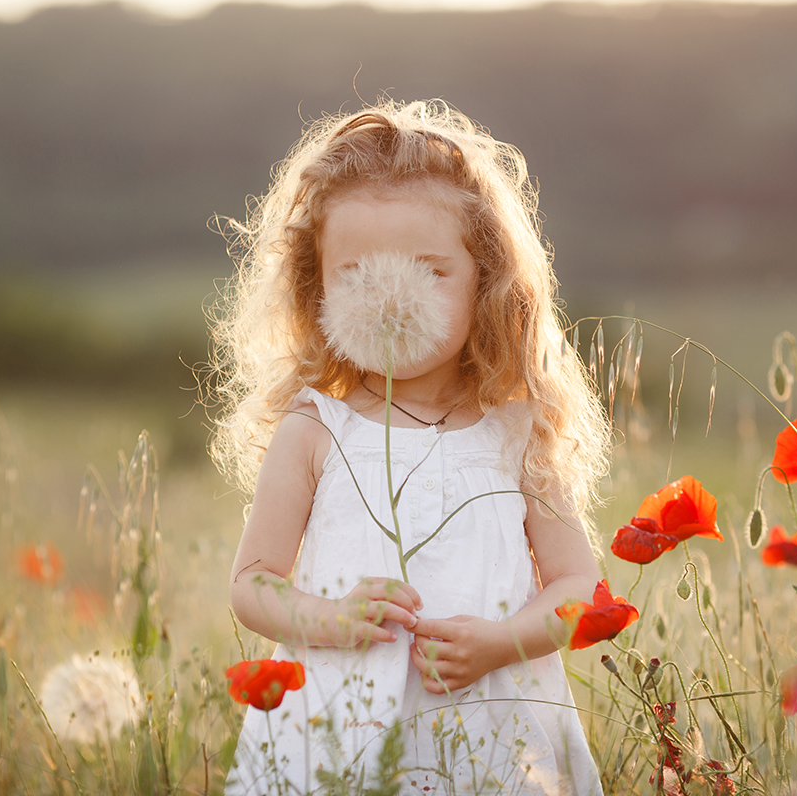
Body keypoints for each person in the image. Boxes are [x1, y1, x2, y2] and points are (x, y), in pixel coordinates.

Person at [210, 99, 610, 796]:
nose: (391, 299)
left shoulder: (517, 432)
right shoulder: (315, 429)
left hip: (492, 734)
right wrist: (330, 620)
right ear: (316, 288)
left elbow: (580, 586)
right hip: (342, 734)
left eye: (429, 270)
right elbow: (253, 585)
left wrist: (502, 642)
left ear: (487, 280)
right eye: (356, 275)